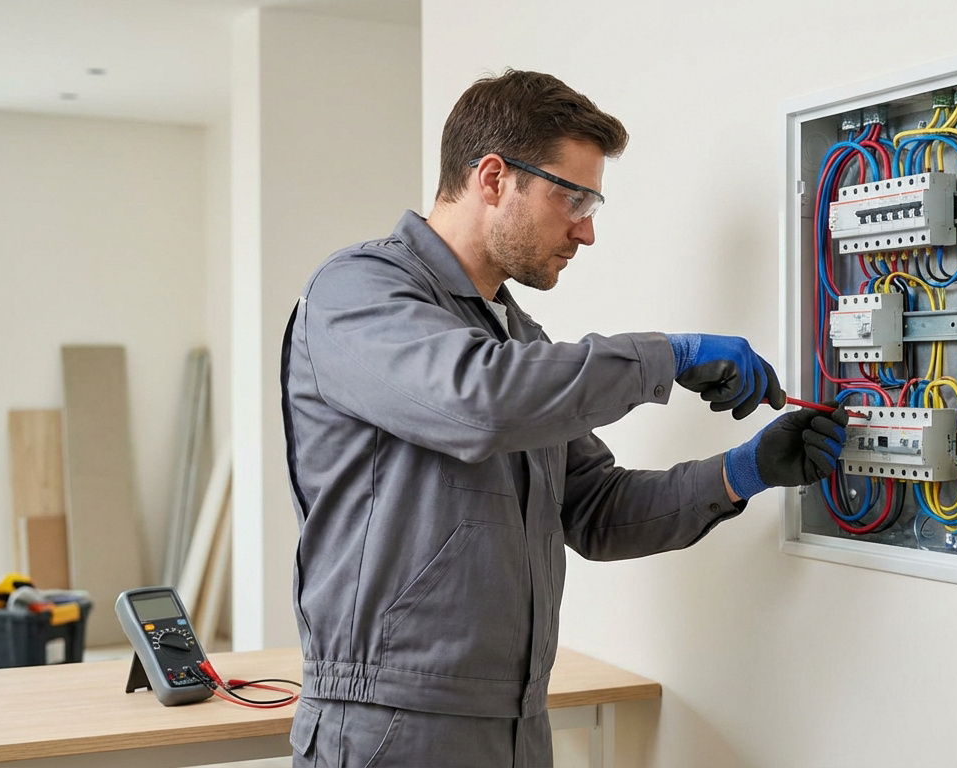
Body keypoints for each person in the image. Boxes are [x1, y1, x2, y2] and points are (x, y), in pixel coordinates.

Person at [280, 69, 849, 767]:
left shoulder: (521, 344)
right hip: (391, 725)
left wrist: (743, 471)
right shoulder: (356, 293)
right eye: (570, 196)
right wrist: (666, 356)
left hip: (518, 720)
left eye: (593, 204)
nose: (584, 231)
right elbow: (477, 402)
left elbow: (596, 510)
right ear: (493, 178)